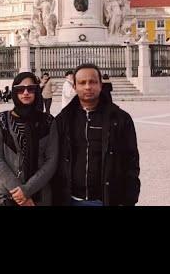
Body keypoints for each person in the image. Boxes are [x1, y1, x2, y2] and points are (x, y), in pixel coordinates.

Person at [52, 63, 140, 206]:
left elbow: (131, 161)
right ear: (74, 87)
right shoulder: (62, 120)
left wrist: (129, 198)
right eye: (82, 83)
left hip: (107, 199)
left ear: (100, 85)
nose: (88, 87)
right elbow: (53, 160)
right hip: (70, 199)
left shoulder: (120, 119)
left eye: (93, 82)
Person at [0, 72, 58, 206]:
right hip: (7, 192)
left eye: (30, 89)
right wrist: (20, 194)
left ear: (37, 91)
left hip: (40, 193)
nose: (25, 92)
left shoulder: (48, 121)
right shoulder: (0, 120)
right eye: (20, 89)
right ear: (14, 91)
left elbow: (51, 161)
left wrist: (27, 190)